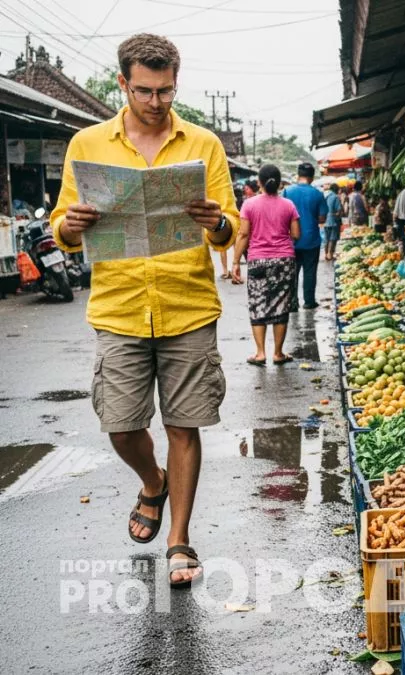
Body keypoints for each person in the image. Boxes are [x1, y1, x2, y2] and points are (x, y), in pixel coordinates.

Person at [50, 33, 238, 589]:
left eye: (166, 90)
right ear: (123, 84)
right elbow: (61, 225)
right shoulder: (87, 143)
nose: (156, 102)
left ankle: (180, 538)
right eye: (145, 91)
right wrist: (71, 226)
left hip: (189, 306)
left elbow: (230, 228)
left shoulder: (203, 144)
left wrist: (216, 224)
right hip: (119, 307)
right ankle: (151, 481)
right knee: (121, 424)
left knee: (185, 424)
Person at [231, 164, 299, 365]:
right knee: (281, 304)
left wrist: (235, 262)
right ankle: (278, 353)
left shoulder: (249, 205)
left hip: (257, 259)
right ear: (279, 183)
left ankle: (260, 353)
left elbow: (243, 234)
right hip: (284, 260)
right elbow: (296, 234)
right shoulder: (288, 205)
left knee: (258, 303)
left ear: (259, 182)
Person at [282, 162, 327, 309]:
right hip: (311, 240)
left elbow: (282, 215)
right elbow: (322, 218)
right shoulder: (318, 194)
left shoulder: (287, 191)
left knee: (292, 272)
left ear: (298, 175)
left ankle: (292, 303)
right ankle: (309, 301)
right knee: (310, 272)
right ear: (312, 177)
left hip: (291, 241)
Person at [323, 183, 342, 261]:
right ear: (336, 190)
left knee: (326, 238)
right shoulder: (335, 197)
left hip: (325, 220)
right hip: (333, 221)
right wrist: (337, 214)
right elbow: (339, 210)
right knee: (332, 238)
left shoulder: (325, 196)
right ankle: (330, 255)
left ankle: (326, 254)